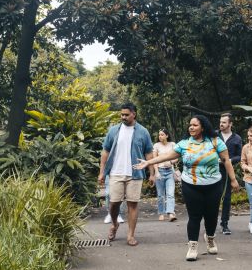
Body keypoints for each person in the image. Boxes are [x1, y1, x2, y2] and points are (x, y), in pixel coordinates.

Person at [135, 115, 240, 261]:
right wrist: (148, 163)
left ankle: (210, 238)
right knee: (194, 216)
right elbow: (166, 156)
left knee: (211, 216)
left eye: (195, 125)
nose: (191, 127)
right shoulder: (184, 144)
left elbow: (226, 161)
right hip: (191, 185)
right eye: (190, 125)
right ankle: (193, 245)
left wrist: (233, 180)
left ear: (203, 127)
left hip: (213, 185)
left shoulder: (216, 141)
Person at [98, 103, 154, 246]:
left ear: (134, 114)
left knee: (133, 204)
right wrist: (102, 172)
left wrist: (152, 173)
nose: (123, 117)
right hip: (115, 172)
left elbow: (149, 153)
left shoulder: (143, 131)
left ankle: (130, 235)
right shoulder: (114, 131)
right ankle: (115, 224)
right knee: (114, 203)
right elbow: (105, 152)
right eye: (122, 114)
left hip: (135, 173)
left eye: (126, 114)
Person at [218, 113, 242, 235]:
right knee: (214, 197)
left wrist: (230, 160)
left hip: (228, 171)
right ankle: (210, 223)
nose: (221, 124)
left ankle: (225, 223)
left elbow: (240, 156)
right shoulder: (214, 136)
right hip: (214, 170)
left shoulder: (237, 138)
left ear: (230, 124)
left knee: (226, 197)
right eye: (220, 122)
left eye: (224, 122)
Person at [153, 128, 177, 222]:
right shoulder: (156, 145)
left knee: (170, 194)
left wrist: (171, 161)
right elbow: (154, 160)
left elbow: (177, 157)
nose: (160, 136)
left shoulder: (173, 144)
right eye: (159, 135)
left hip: (170, 171)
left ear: (167, 135)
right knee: (160, 195)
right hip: (160, 171)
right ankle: (161, 213)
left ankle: (171, 213)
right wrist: (156, 172)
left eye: (162, 134)